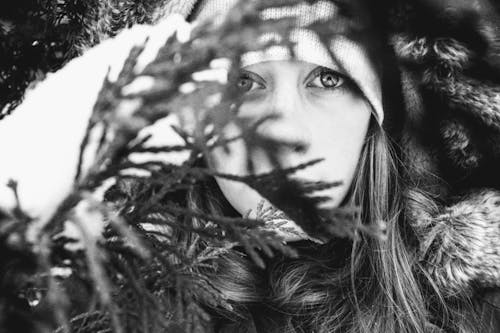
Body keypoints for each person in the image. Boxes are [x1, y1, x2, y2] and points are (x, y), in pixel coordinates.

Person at [0, 0, 499, 332]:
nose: (283, 133)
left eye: (328, 80)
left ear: (377, 121)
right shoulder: (78, 302)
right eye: (243, 84)